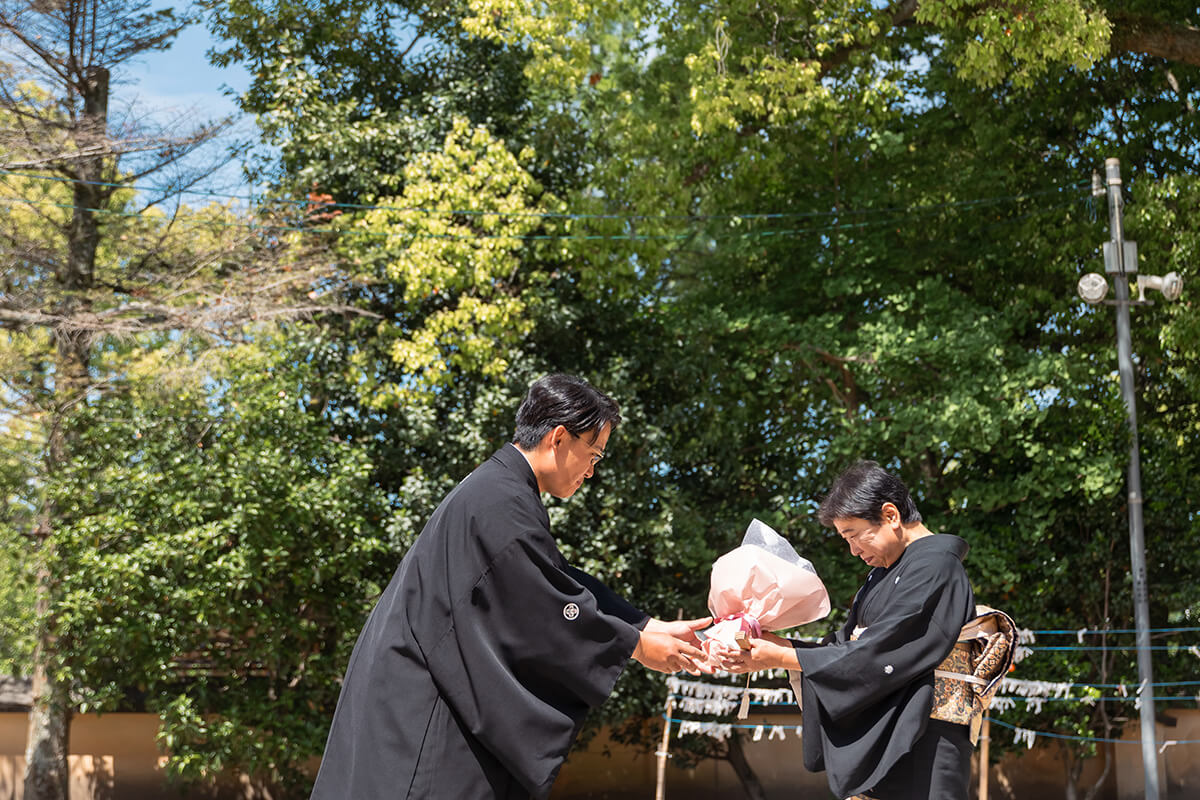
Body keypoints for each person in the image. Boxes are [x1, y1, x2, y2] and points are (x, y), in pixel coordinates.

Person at [309, 373, 711, 800]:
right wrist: (636, 645)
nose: (592, 472)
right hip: (424, 703)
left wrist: (644, 625)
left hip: (416, 684)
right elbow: (542, 599)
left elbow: (554, 576)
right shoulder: (500, 500)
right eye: (593, 454)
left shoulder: (498, 489)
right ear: (558, 438)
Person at [718, 460, 975, 800]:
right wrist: (770, 648)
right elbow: (845, 646)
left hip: (926, 739)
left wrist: (782, 655)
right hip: (887, 733)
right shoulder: (882, 574)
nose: (853, 550)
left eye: (853, 535)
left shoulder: (936, 565)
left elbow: (880, 651)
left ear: (890, 516)